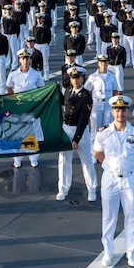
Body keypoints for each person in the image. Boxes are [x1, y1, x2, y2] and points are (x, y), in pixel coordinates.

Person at [93, 95, 134, 267]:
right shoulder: (103, 132)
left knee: (132, 216)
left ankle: (131, 251)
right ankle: (108, 251)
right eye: (117, 110)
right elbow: (97, 152)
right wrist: (109, 166)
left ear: (127, 111)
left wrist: (127, 165)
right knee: (109, 216)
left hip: (130, 178)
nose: (120, 113)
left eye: (123, 110)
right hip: (110, 178)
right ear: (112, 111)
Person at [57, 69, 98, 201]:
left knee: (87, 161)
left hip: (80, 131)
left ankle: (92, 189)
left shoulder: (86, 96)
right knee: (64, 161)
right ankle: (63, 188)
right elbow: (63, 103)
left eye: (77, 77)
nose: (75, 80)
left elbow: (83, 119)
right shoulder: (68, 91)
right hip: (66, 128)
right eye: (73, 78)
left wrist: (76, 139)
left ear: (82, 79)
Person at [7, 48, 45, 168]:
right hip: (18, 108)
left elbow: (41, 89)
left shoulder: (36, 74)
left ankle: (33, 157)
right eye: (23, 58)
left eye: (27, 58)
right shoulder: (13, 74)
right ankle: (17, 157)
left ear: (30, 60)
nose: (25, 60)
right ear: (19, 60)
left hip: (32, 107)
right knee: (17, 132)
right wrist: (14, 101)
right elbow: (9, 88)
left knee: (32, 132)